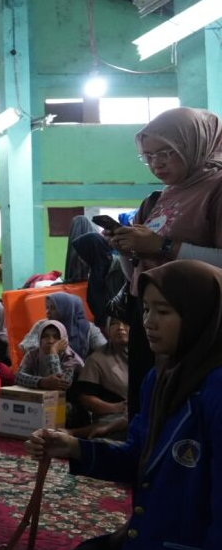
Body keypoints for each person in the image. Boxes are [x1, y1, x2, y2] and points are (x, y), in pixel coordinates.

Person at [25, 260, 222, 550]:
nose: (148, 322)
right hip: (146, 539)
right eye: (146, 309)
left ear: (200, 315)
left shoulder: (215, 389)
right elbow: (138, 458)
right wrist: (74, 446)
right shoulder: (159, 378)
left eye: (163, 311)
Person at [105, 107, 222, 420]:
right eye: (149, 156)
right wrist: (126, 250)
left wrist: (162, 245)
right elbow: (138, 276)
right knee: (148, 405)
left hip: (198, 323)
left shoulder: (216, 189)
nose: (157, 163)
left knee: (187, 414)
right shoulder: (158, 199)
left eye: (166, 152)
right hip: (149, 315)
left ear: (194, 143)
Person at [74, 317, 129, 440]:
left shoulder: (150, 356)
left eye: (126, 323)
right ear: (108, 328)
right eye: (114, 324)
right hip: (110, 421)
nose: (120, 328)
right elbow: (86, 398)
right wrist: (115, 407)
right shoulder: (97, 360)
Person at [19, 292, 106, 358]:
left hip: (78, 370)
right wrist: (51, 349)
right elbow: (27, 347)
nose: (47, 312)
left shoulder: (88, 328)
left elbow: (104, 349)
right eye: (47, 308)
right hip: (46, 370)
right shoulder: (42, 325)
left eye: (53, 308)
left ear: (66, 310)